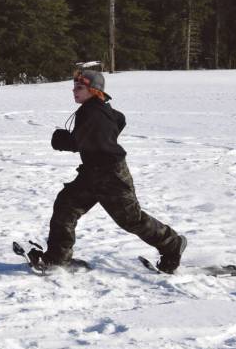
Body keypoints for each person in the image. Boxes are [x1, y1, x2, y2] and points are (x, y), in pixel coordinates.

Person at [29, 69, 187, 272]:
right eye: (74, 87)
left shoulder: (93, 112)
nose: (74, 91)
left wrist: (59, 139)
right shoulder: (96, 109)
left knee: (131, 219)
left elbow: (78, 142)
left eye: (79, 87)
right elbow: (119, 118)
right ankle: (58, 258)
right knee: (66, 206)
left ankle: (173, 245)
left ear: (94, 90)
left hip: (111, 174)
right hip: (92, 173)